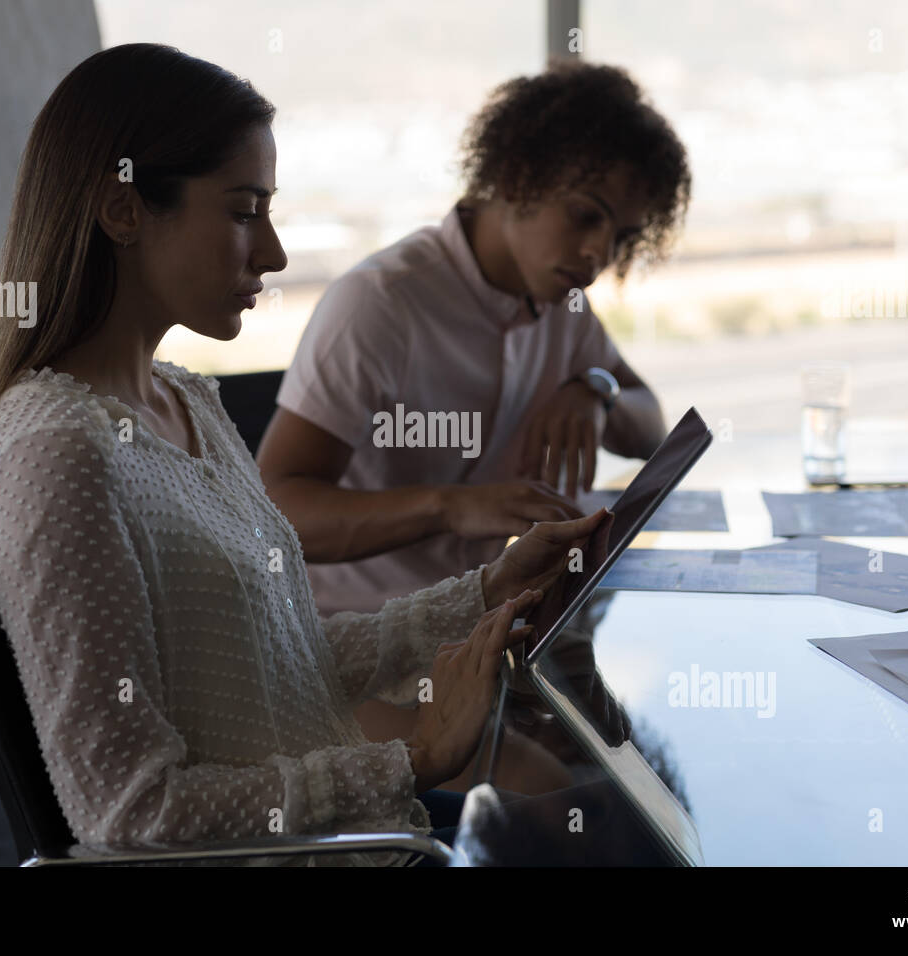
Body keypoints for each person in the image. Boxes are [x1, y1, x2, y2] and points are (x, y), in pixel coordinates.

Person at [0, 43, 608, 865]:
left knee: (604, 814)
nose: (271, 253)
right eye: (243, 212)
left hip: (359, 841)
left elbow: (288, 664)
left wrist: (487, 591)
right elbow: (131, 811)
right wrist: (414, 761)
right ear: (123, 210)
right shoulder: (56, 457)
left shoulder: (184, 400)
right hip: (333, 849)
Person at [255, 61, 690, 752]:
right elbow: (275, 510)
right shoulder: (383, 303)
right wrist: (451, 505)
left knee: (645, 754)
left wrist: (595, 392)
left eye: (621, 238)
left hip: (494, 629)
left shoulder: (563, 306)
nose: (598, 253)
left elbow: (652, 425)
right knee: (581, 791)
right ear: (517, 174)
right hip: (365, 647)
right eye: (586, 216)